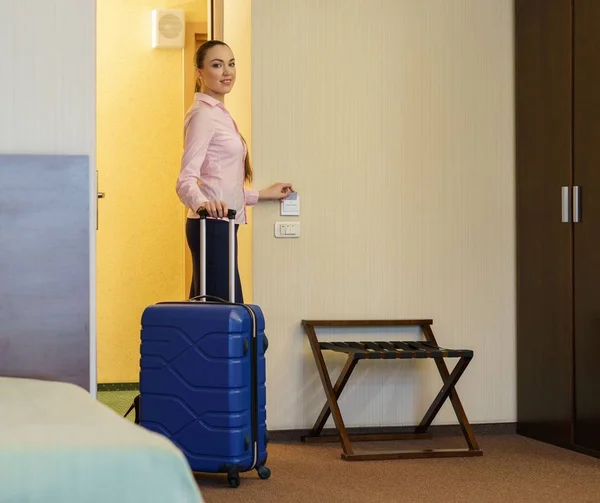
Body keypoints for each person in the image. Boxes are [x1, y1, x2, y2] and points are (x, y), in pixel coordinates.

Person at [176, 39, 293, 302]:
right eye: (217, 65)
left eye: (231, 64)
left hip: (223, 224)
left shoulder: (220, 114)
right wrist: (204, 205)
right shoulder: (203, 115)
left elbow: (221, 181)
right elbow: (185, 181)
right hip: (211, 226)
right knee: (223, 313)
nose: (227, 72)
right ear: (200, 73)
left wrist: (262, 194)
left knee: (215, 312)